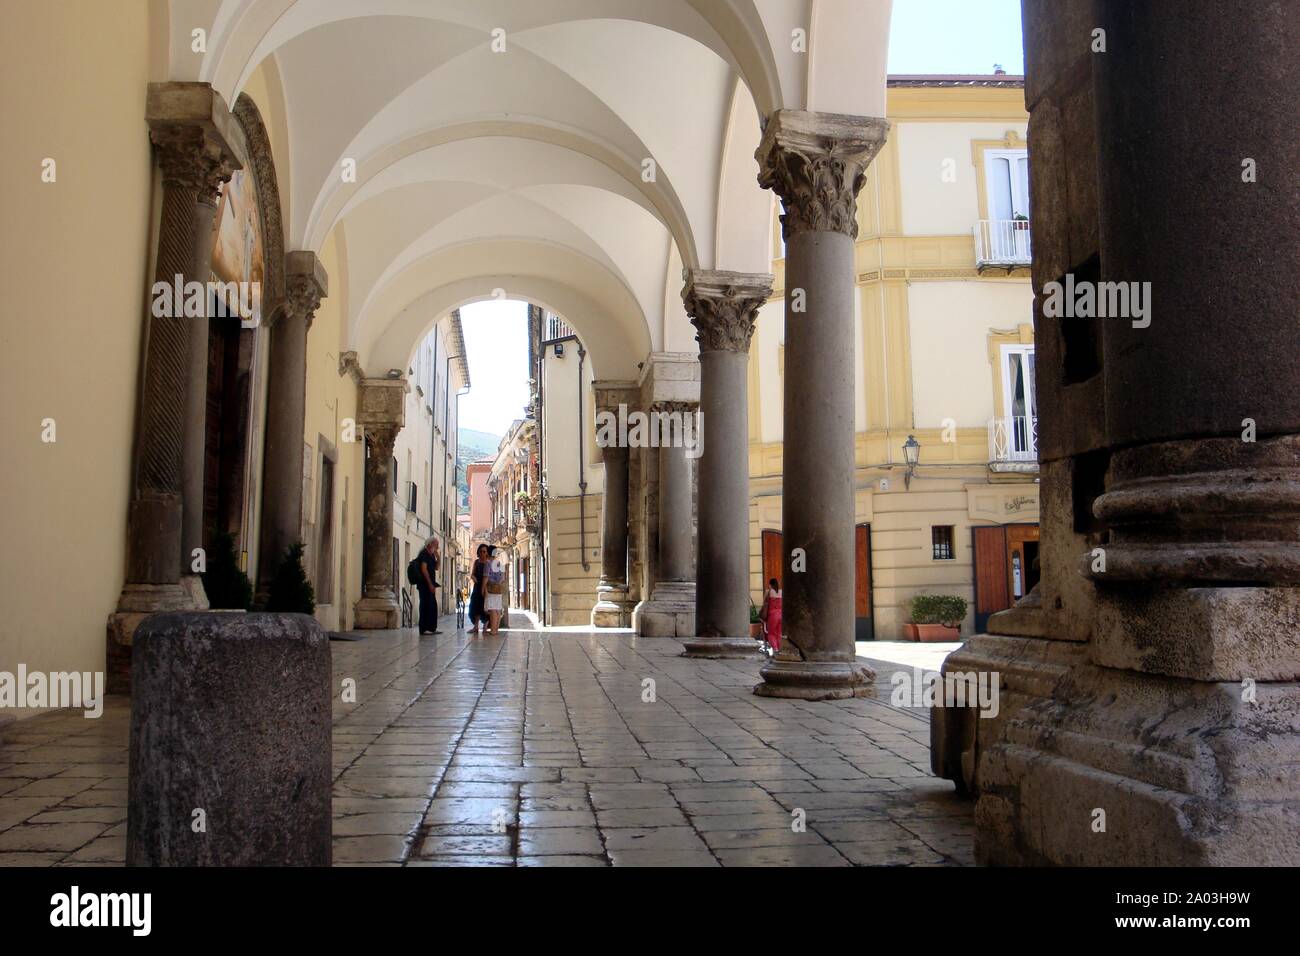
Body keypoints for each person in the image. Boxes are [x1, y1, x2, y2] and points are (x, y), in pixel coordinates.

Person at [416, 537, 441, 635]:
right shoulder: (424, 554)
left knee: (432, 606)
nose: (437, 547)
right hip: (424, 585)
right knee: (425, 606)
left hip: (430, 585)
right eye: (436, 545)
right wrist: (430, 584)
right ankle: (424, 628)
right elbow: (424, 569)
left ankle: (431, 628)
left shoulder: (431, 555)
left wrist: (438, 557)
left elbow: (436, 567)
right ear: (430, 545)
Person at [484, 546, 506, 635]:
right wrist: (498, 583)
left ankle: (493, 630)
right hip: (498, 589)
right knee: (497, 610)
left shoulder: (488, 563)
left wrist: (484, 588)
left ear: (488, 553)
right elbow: (503, 578)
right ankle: (496, 629)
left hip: (491, 588)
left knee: (492, 609)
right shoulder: (500, 564)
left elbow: (486, 577)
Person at [469, 544, 489, 636]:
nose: (482, 553)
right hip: (477, 587)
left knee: (485, 607)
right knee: (475, 606)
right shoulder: (476, 562)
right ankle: (476, 627)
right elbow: (472, 574)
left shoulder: (488, 563)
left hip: (486, 587)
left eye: (484, 551)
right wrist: (474, 578)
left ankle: (485, 627)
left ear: (487, 552)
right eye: (480, 551)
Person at [759, 577, 782, 653]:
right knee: (778, 633)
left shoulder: (768, 592)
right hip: (781, 615)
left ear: (770, 584)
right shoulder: (781, 592)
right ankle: (779, 649)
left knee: (771, 633)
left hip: (772, 615)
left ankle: (775, 649)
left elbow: (764, 604)